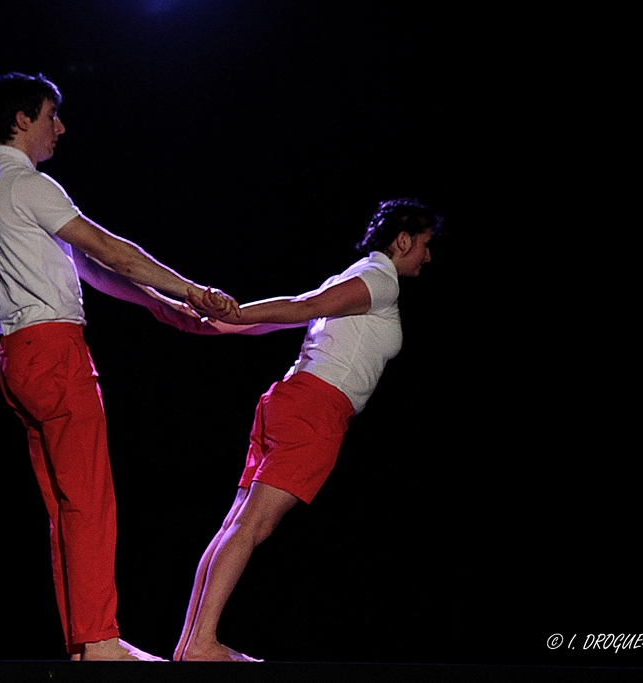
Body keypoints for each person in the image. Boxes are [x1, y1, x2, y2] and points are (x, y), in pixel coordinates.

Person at [0, 72, 237, 661]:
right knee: (90, 499)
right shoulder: (28, 183)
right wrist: (192, 290)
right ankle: (99, 639)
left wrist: (164, 307)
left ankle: (84, 641)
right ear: (21, 121)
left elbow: (90, 270)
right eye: (50, 115)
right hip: (54, 350)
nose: (59, 127)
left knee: (67, 504)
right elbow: (110, 249)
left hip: (19, 358)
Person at [171, 198, 444, 661]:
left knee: (236, 525)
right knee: (251, 527)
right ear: (403, 240)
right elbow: (303, 307)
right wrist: (236, 316)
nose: (428, 256)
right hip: (315, 410)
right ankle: (200, 643)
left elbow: (300, 313)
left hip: (292, 401)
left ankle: (190, 643)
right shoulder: (380, 280)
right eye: (425, 244)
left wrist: (221, 324)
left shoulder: (354, 275)